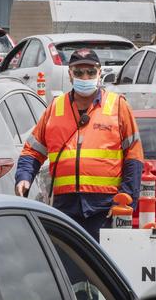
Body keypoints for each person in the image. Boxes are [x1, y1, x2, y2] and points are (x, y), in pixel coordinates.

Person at [15, 48, 143, 240]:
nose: (85, 77)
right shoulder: (55, 108)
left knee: (101, 267)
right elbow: (32, 150)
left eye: (91, 72)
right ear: (70, 75)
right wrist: (24, 177)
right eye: (79, 72)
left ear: (100, 73)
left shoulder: (118, 106)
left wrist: (126, 199)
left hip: (105, 208)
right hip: (65, 207)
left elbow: (134, 156)